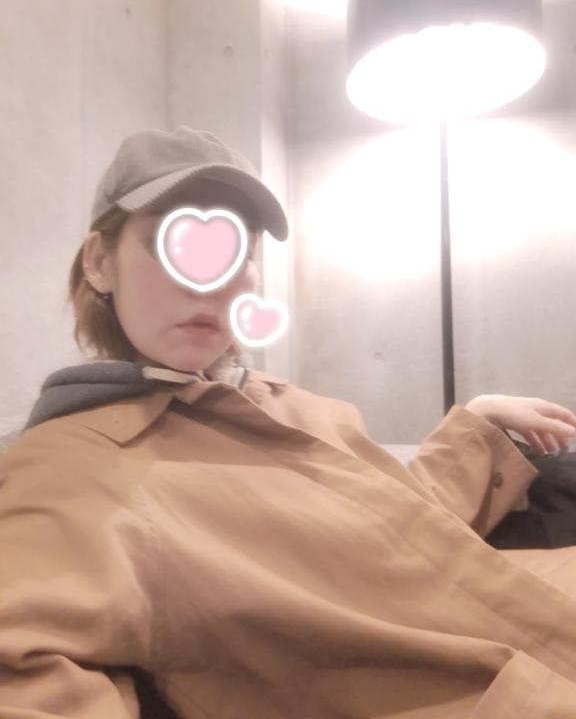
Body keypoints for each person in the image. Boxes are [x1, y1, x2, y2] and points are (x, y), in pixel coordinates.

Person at [2, 126, 576, 719]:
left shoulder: (293, 406)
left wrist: (475, 426)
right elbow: (23, 667)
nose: (209, 280)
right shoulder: (70, 466)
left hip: (531, 602)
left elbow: (407, 529)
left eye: (238, 252)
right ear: (100, 263)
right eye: (173, 243)